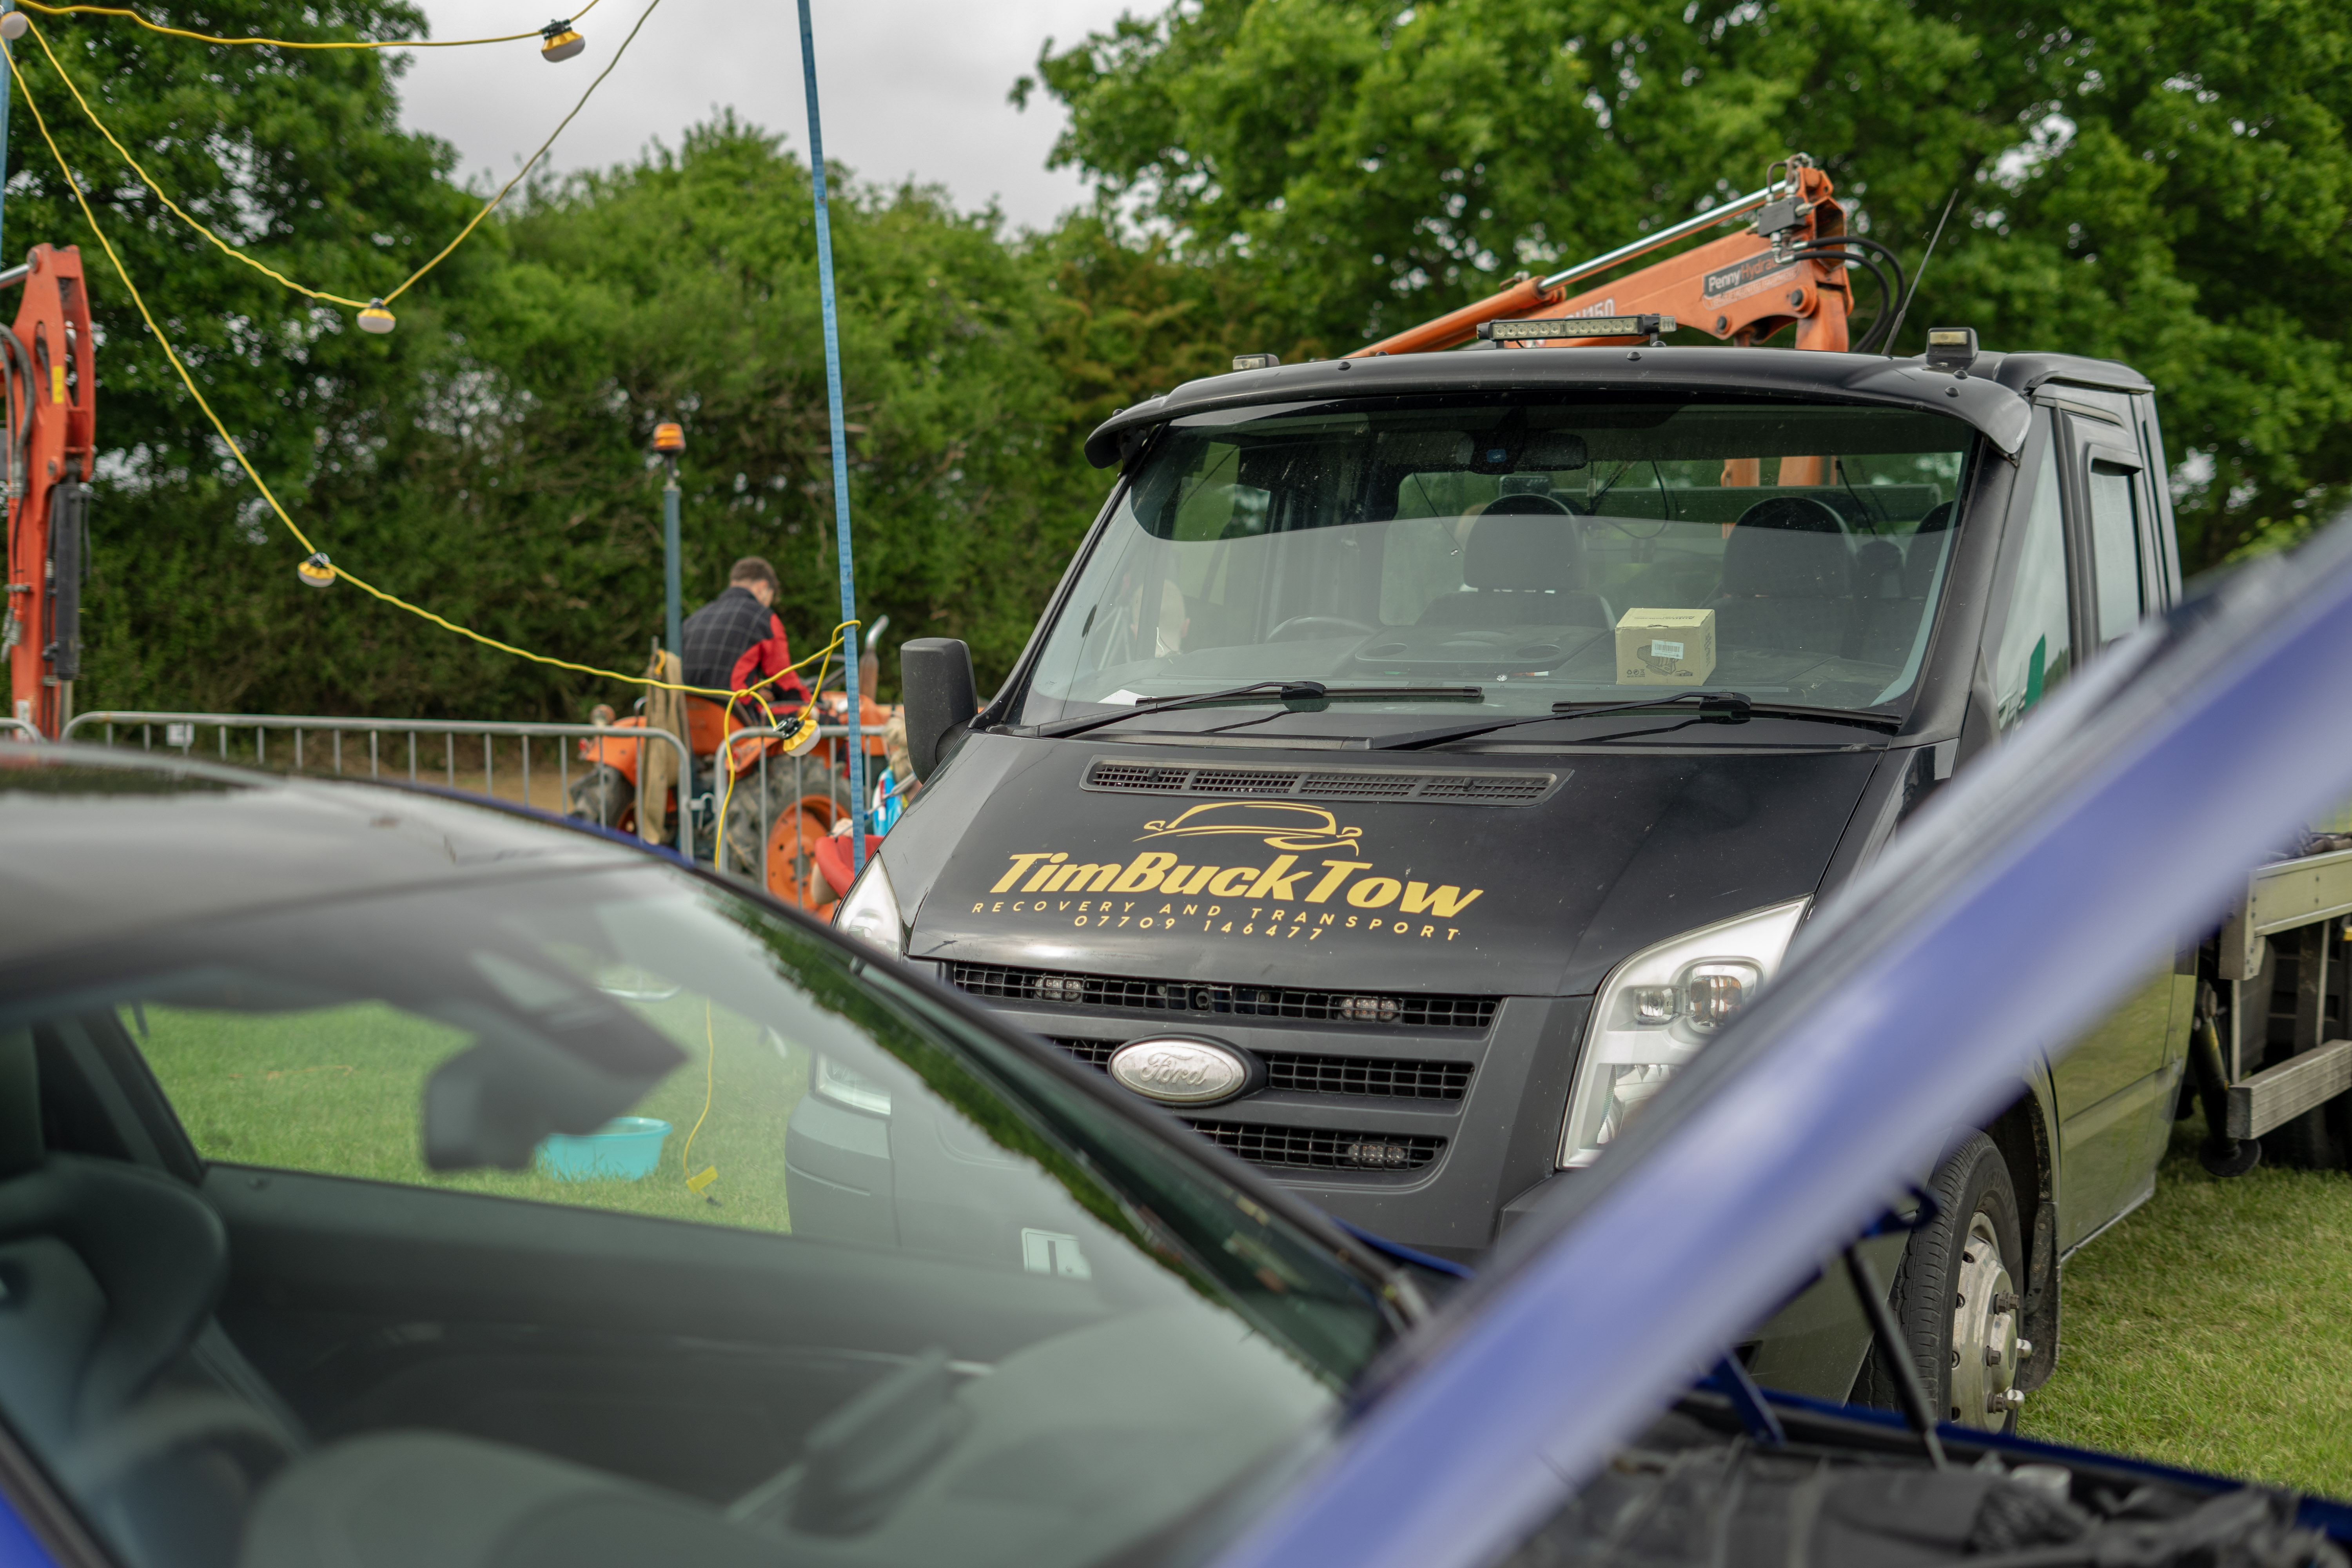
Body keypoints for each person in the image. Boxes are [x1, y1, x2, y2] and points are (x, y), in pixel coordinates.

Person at [681, 557, 810, 713]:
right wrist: (814, 705)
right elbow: (784, 681)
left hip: (689, 717)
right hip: (734, 717)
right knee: (820, 719)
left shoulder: (694, 618)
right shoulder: (763, 618)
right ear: (763, 587)